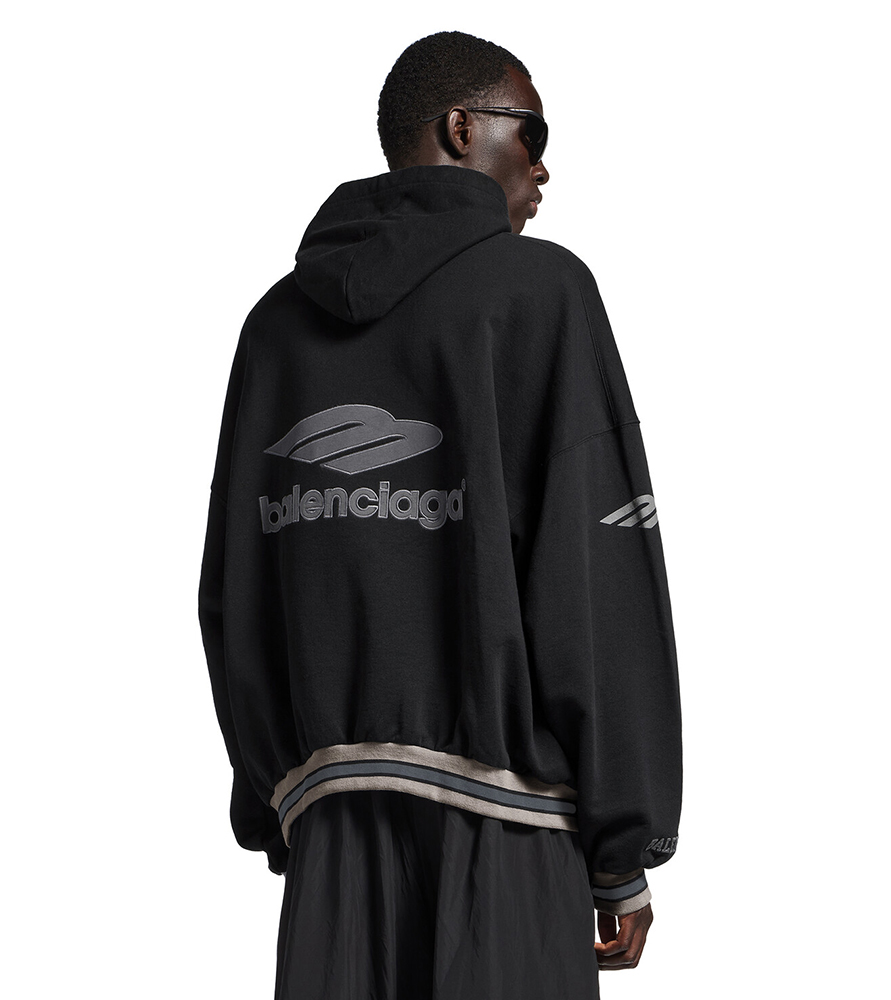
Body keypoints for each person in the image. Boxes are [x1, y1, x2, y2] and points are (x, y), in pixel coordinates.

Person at [198, 29, 683, 999]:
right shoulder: (540, 292)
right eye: (533, 131)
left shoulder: (276, 325)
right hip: (509, 840)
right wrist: (623, 846)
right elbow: (594, 577)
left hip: (331, 843)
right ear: (463, 128)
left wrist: (280, 796)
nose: (542, 165)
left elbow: (232, 593)